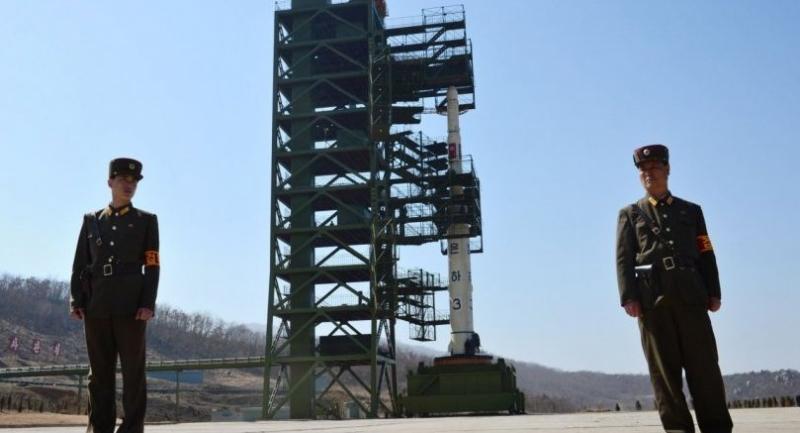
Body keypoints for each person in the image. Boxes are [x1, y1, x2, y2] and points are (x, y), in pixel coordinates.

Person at [616, 144, 733, 433]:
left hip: (692, 297)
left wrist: (714, 290)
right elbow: (623, 258)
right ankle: (678, 430)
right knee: (664, 376)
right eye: (643, 169)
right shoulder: (631, 214)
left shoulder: (691, 212)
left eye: (654, 166)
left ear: (667, 169)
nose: (648, 173)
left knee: (705, 369)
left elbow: (706, 251)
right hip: (653, 302)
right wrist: (629, 297)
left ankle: (716, 427)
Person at [70, 157, 160, 433]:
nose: (128, 185)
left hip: (131, 307)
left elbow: (153, 265)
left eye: (133, 181)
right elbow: (79, 264)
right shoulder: (91, 222)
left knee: (133, 372)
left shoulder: (146, 221)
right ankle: (99, 427)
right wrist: (77, 299)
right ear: (110, 182)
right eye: (122, 180)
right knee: (99, 374)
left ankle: (132, 428)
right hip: (97, 305)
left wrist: (148, 302)